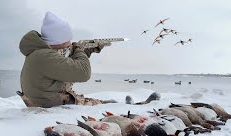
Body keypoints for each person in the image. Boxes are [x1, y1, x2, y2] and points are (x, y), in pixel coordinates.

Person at [18, 12, 160, 108]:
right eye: (67, 42)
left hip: (46, 98)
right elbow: (83, 72)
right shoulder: (45, 57)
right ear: (58, 41)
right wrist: (79, 49)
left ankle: (122, 105)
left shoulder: (40, 54)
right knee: (107, 105)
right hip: (51, 103)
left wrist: (91, 48)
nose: (70, 44)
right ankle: (130, 107)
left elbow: (67, 65)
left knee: (108, 103)